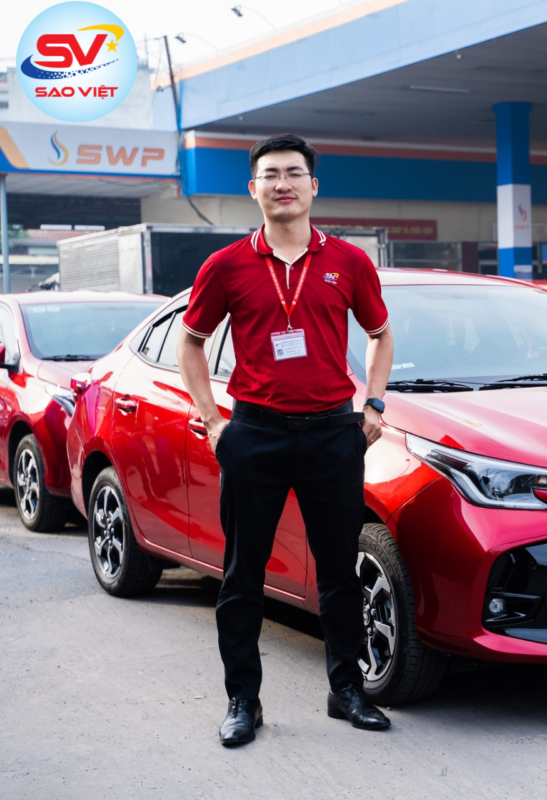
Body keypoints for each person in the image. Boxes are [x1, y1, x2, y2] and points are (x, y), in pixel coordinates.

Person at [176, 134, 396, 747]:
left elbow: (381, 335)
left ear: (313, 186)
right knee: (242, 576)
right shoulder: (226, 266)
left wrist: (374, 403)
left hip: (332, 434)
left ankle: (347, 689)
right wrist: (214, 422)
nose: (283, 184)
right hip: (256, 434)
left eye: (294, 173)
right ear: (254, 189)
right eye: (270, 175)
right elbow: (191, 344)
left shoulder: (349, 262)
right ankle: (242, 700)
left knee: (339, 575)